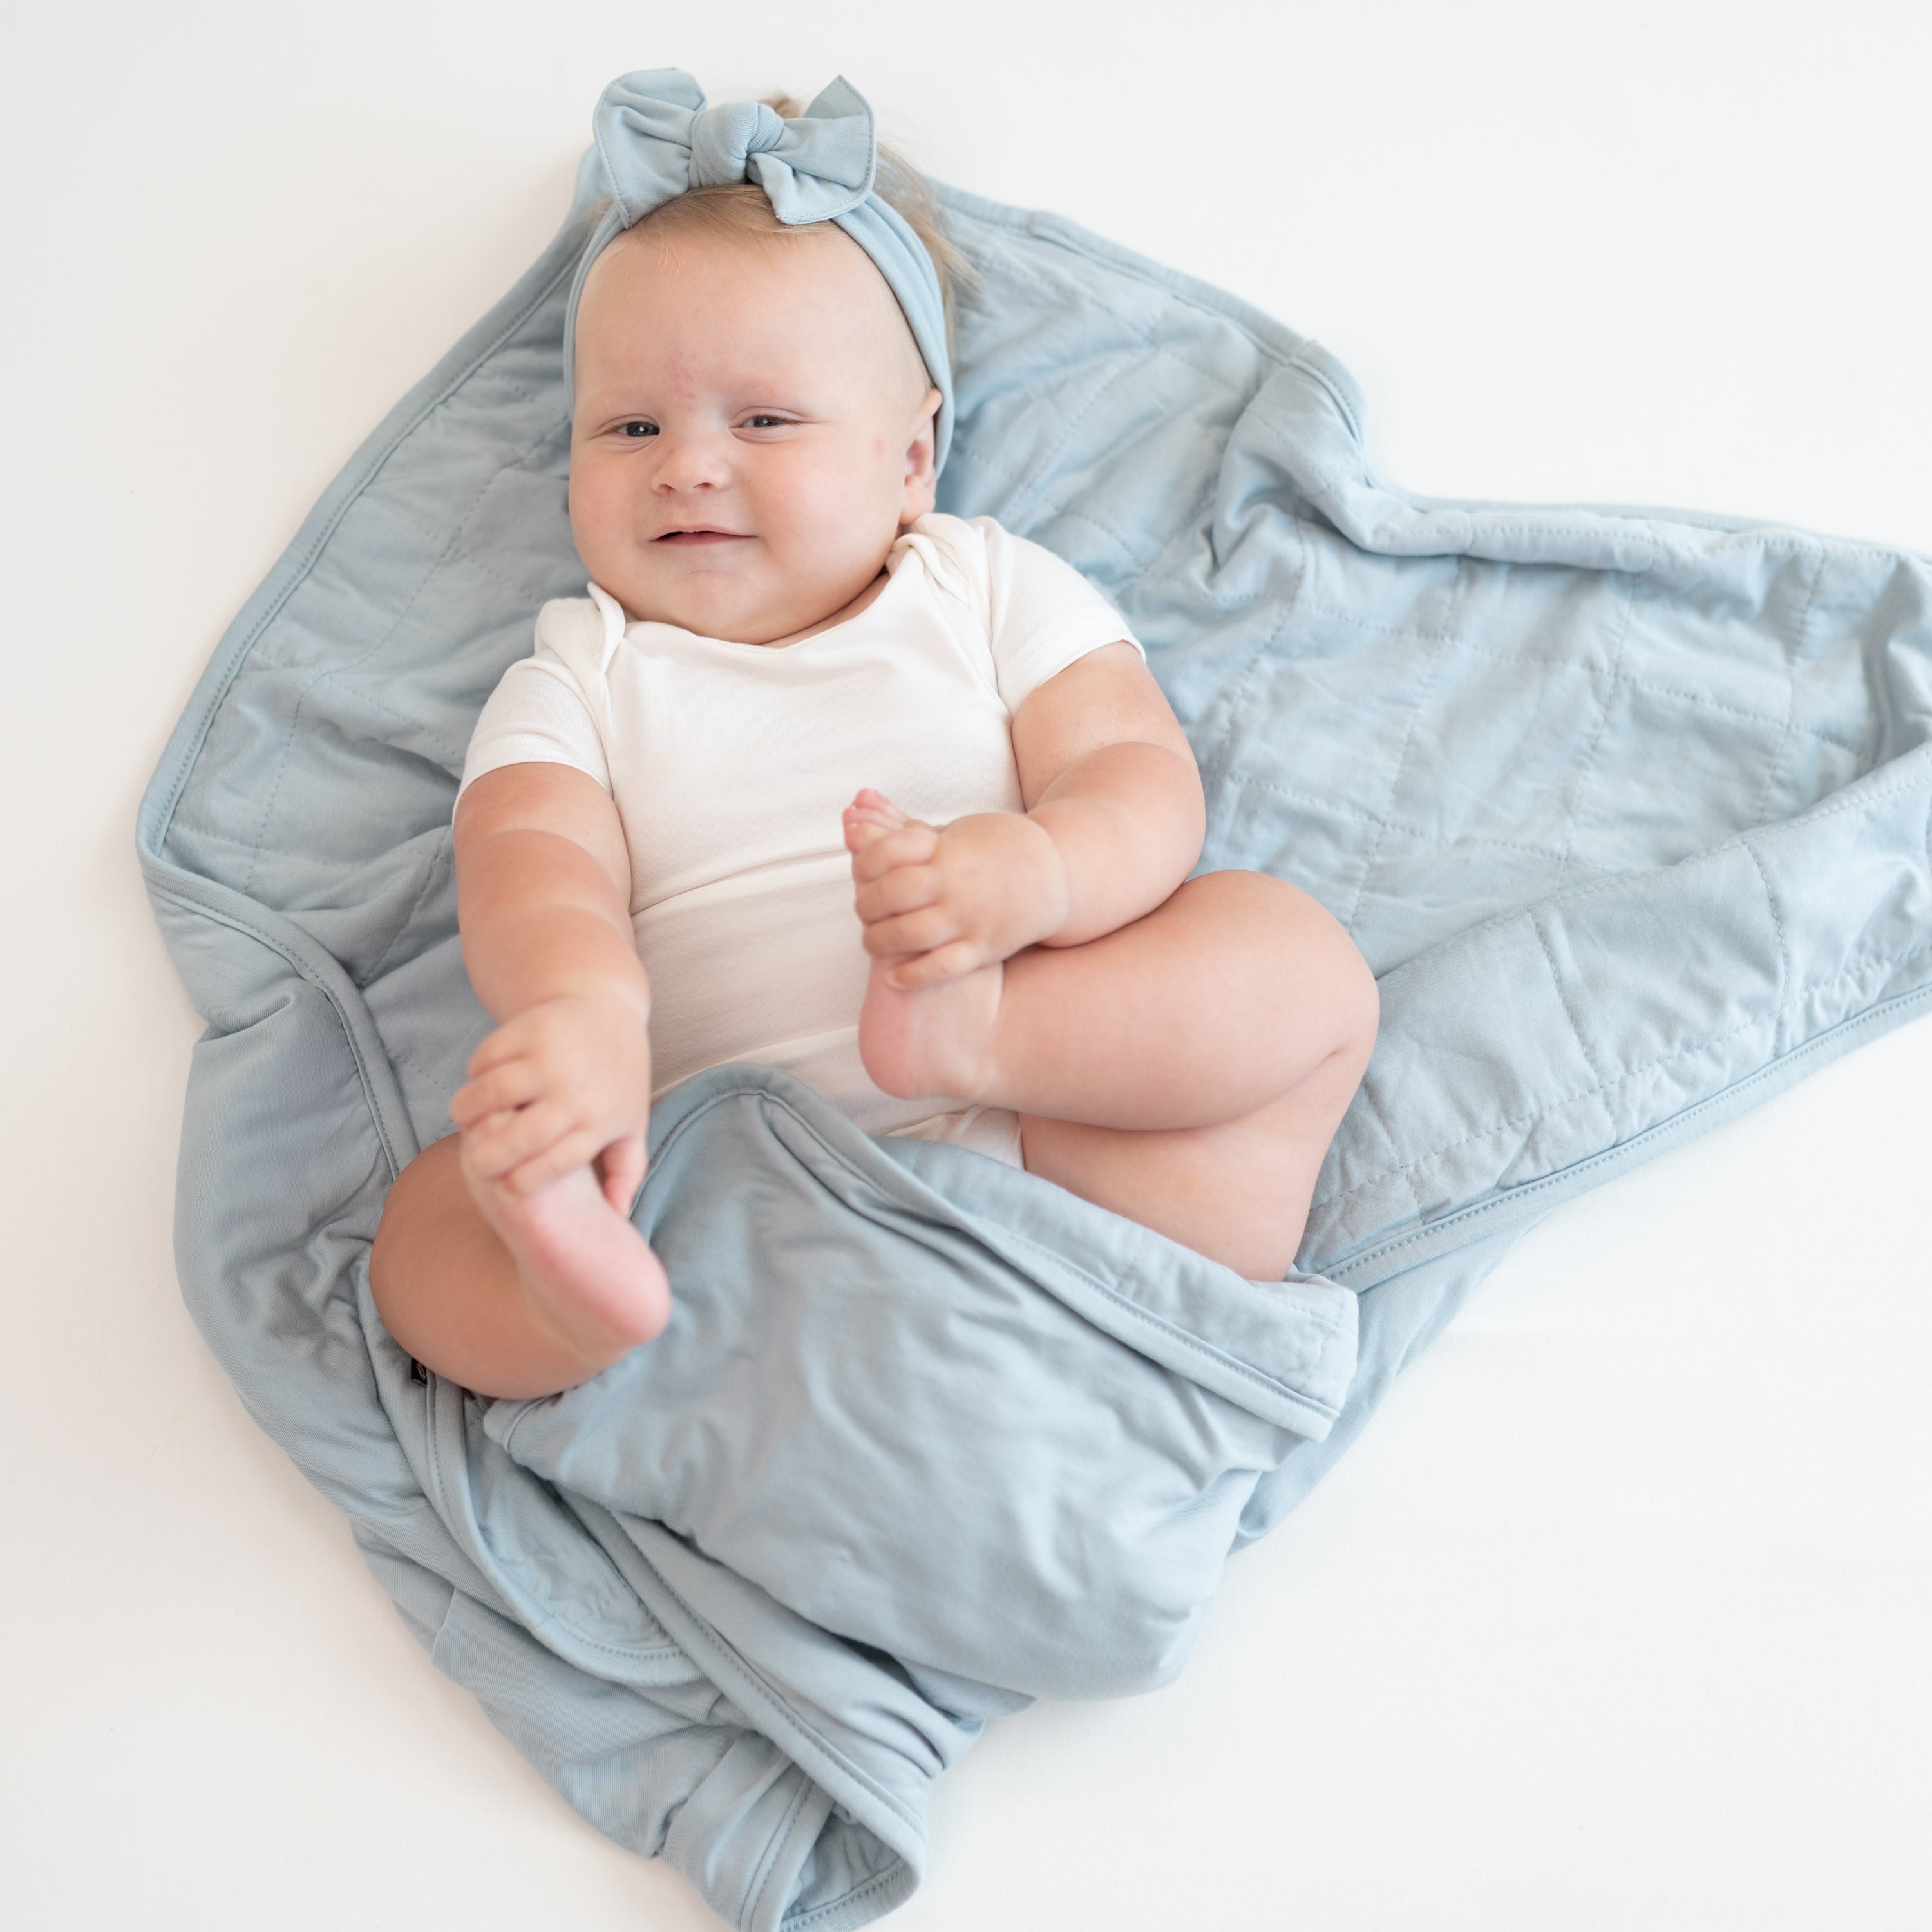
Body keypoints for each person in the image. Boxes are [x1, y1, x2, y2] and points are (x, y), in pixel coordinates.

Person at [369, 72, 1379, 1399]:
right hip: (716, 1189)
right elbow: (530, 861)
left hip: (1051, 1146)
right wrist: (586, 1014)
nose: (688, 464)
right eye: (629, 427)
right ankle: (579, 1305)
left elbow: (1131, 773)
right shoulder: (584, 669)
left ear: (911, 461)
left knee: (1297, 969)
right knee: (421, 1229)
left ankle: (979, 1036)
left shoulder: (980, 587)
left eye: (765, 420)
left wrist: (1038, 872)